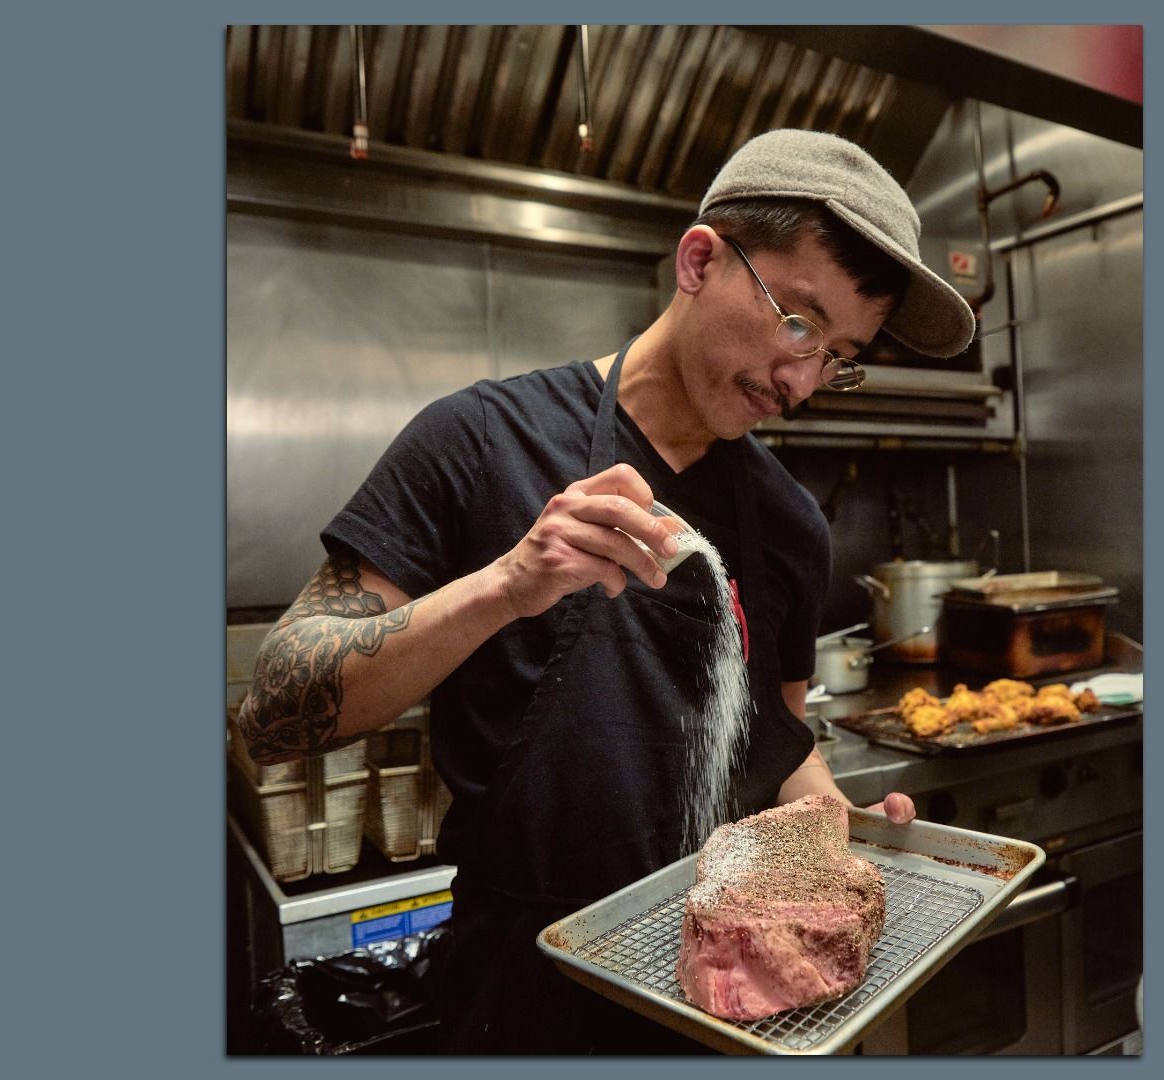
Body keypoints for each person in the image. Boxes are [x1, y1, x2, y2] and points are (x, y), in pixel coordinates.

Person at [235, 128, 977, 1053]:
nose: (802, 380)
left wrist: (834, 825)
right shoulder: (478, 441)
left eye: (839, 355)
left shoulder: (790, 526)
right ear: (700, 259)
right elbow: (271, 714)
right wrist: (507, 584)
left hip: (724, 991)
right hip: (522, 988)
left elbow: (780, 742)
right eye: (798, 322)